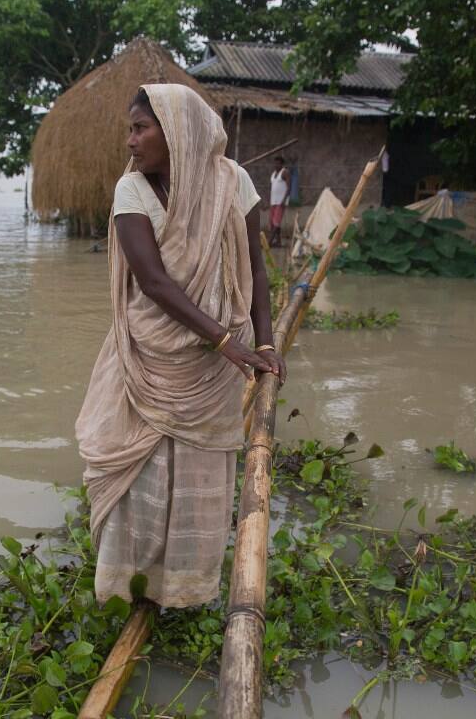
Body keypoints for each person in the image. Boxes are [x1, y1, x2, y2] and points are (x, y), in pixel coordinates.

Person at [75, 84, 287, 609]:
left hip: (213, 367)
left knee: (197, 476)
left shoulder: (233, 183)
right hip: (151, 353)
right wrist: (225, 342)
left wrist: (264, 342)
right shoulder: (132, 192)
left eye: (140, 128)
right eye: (131, 129)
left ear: (177, 133)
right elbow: (153, 282)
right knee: (140, 473)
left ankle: (185, 592)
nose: (130, 141)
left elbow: (256, 272)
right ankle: (129, 591)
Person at [268, 156, 291, 247]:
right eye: (275, 163)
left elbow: (289, 187)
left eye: (278, 163)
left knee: (276, 222)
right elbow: (272, 188)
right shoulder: (273, 174)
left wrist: (284, 200)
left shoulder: (285, 172)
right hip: (273, 201)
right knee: (273, 223)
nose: (276, 165)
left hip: (280, 202)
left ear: (282, 164)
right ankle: (278, 242)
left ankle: (269, 242)